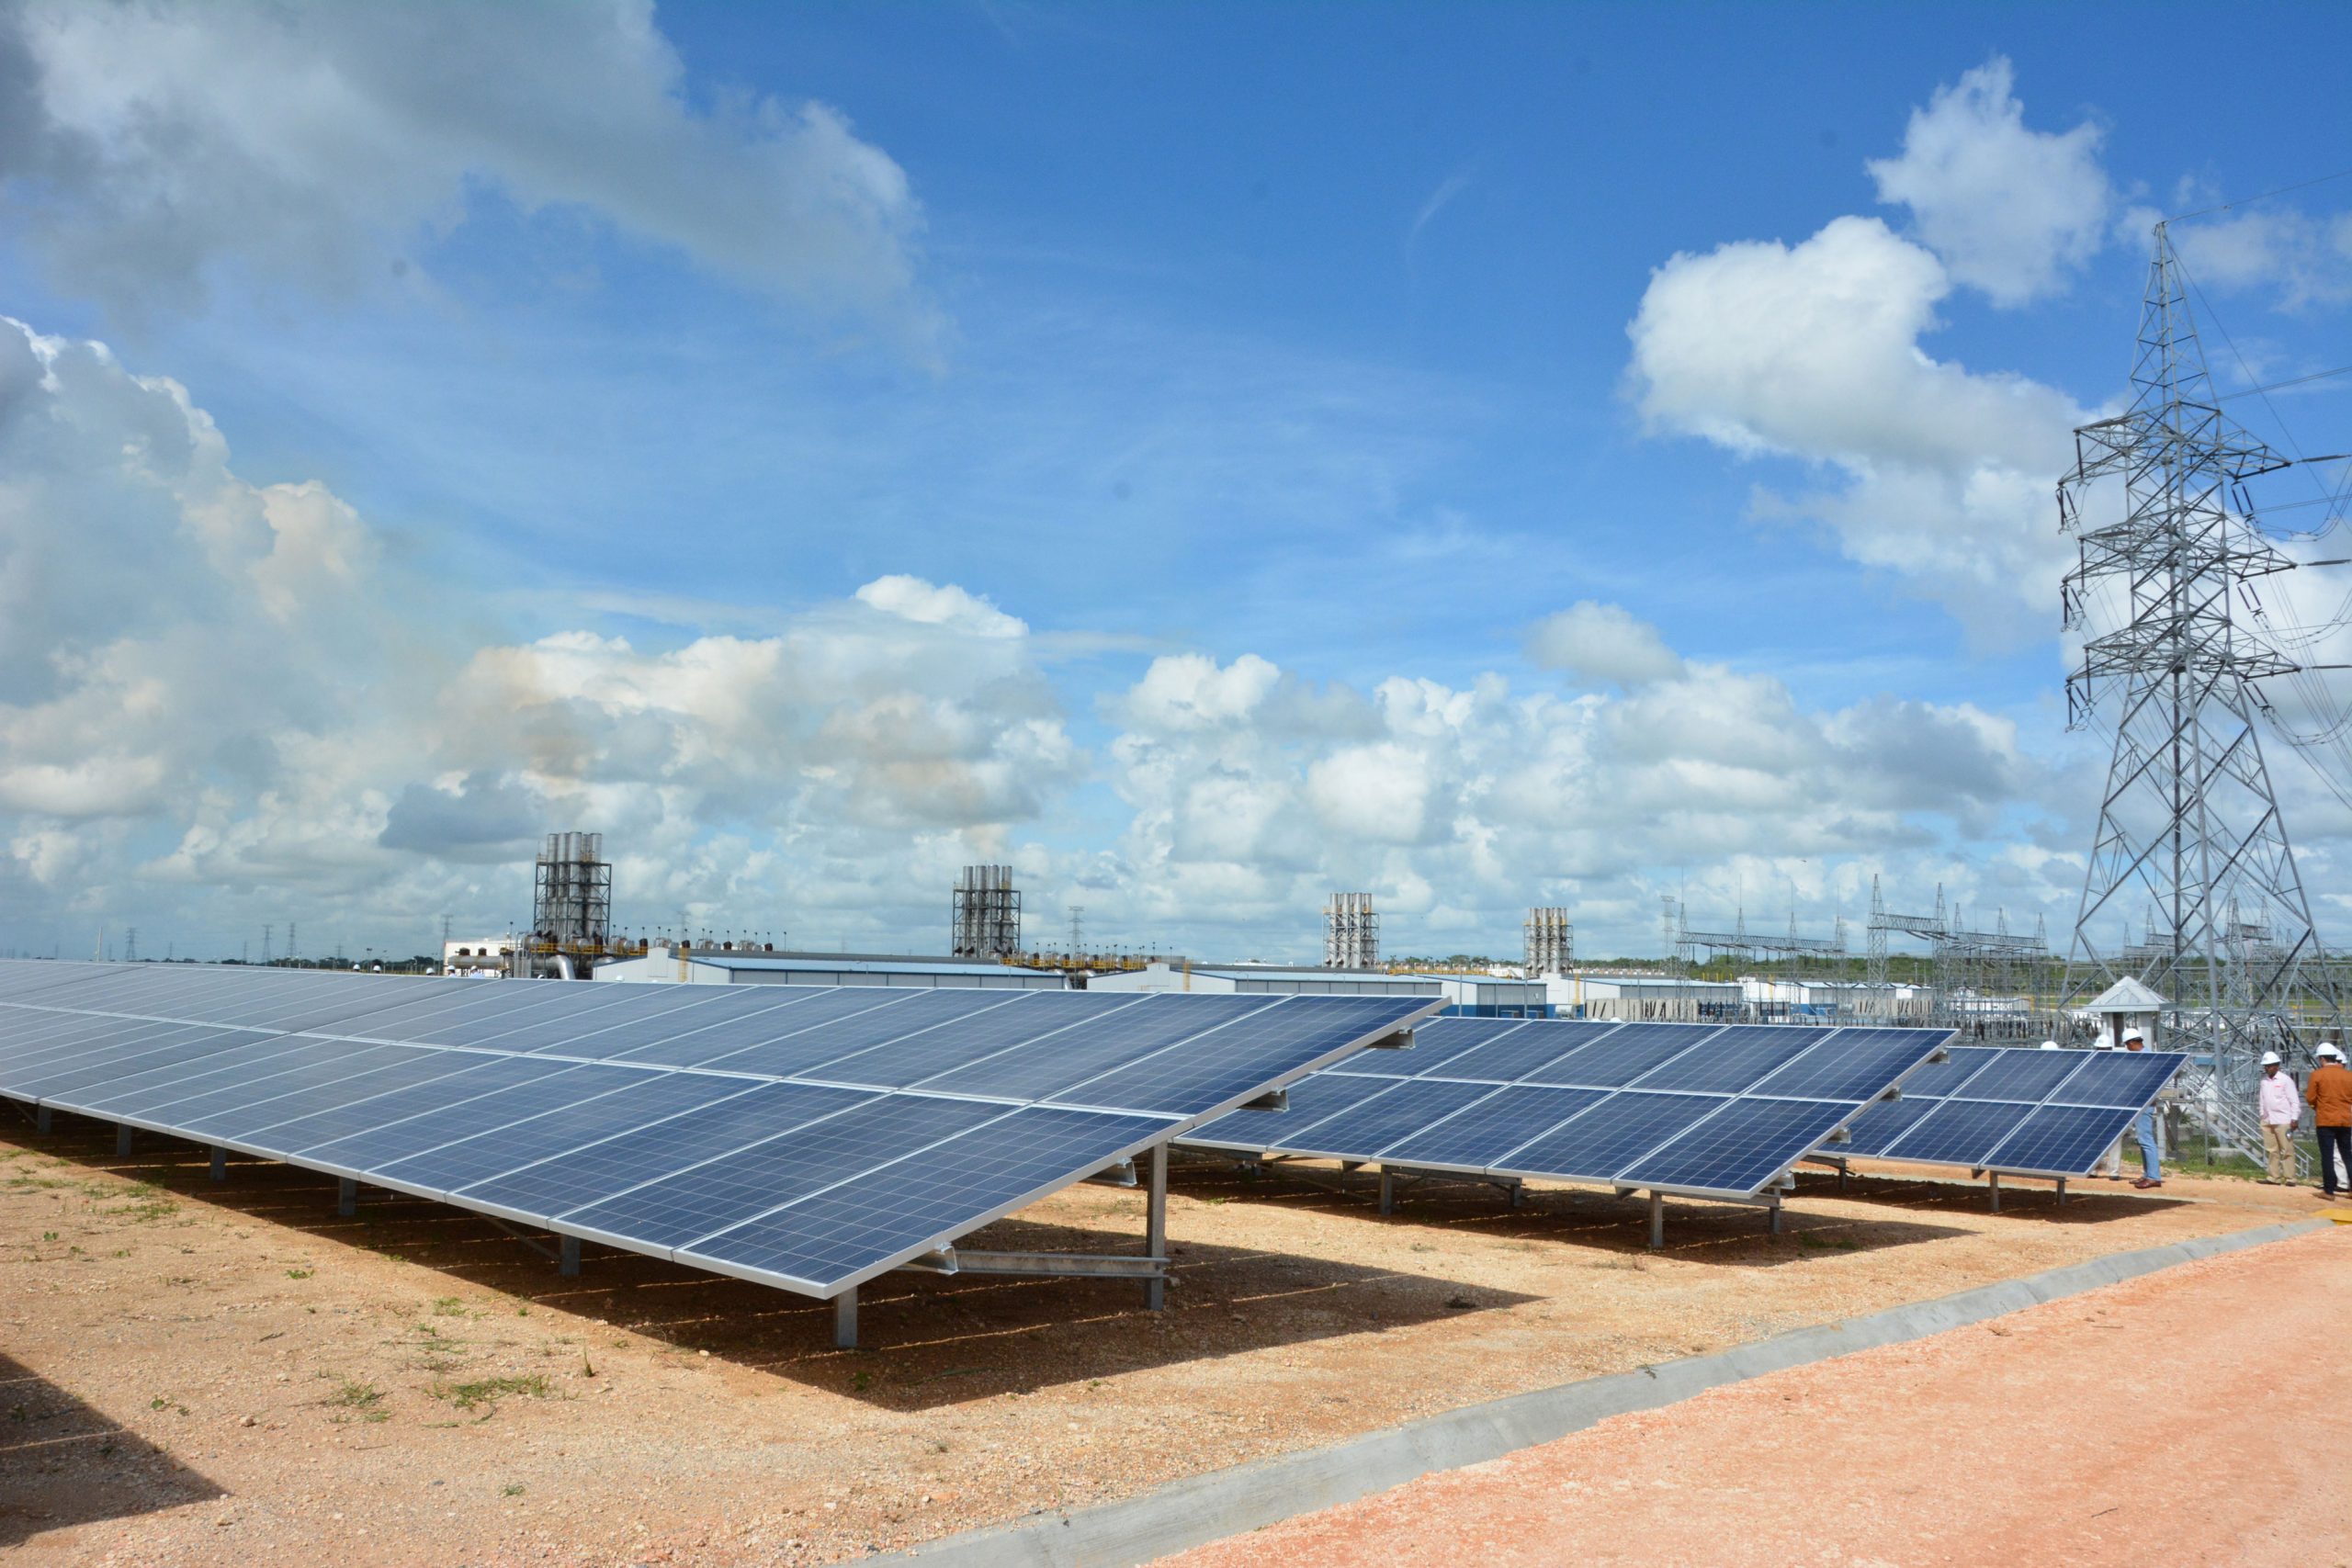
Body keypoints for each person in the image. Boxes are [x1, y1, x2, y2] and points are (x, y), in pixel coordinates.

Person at [2305, 1043, 2352, 1200]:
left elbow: (2310, 1097)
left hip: (2325, 1121)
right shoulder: (2348, 1075)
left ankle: (2329, 1190)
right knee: (2347, 1155)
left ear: (2322, 1059)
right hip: (2345, 1120)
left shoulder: (2318, 1075)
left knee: (2327, 1155)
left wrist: (2318, 1107)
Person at [2122, 1029, 2163, 1189]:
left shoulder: (2147, 1059)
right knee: (2142, 1140)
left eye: (2127, 1045)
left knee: (2146, 1140)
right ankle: (2148, 1174)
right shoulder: (2144, 1057)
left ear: (2132, 1043)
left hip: (2144, 1103)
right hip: (2140, 1102)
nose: (2126, 1048)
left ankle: (2153, 1177)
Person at [2256, 1051, 2301, 1185]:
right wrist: (2262, 1114)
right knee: (2271, 1150)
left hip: (2283, 1120)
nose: (2266, 1068)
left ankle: (2290, 1178)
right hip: (2268, 1119)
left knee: (2287, 1149)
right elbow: (2262, 1099)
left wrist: (2294, 1118)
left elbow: (2294, 1101)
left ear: (2276, 1066)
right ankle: (2273, 1177)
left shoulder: (2285, 1080)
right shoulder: (2264, 1081)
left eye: (2269, 1065)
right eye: (2265, 1066)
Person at [2091, 1036, 2123, 1177]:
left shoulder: (2117, 1066)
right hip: (2100, 1105)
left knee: (2110, 1138)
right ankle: (2099, 1169)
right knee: (2097, 1138)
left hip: (2110, 1106)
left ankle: (2109, 1170)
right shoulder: (2091, 1065)